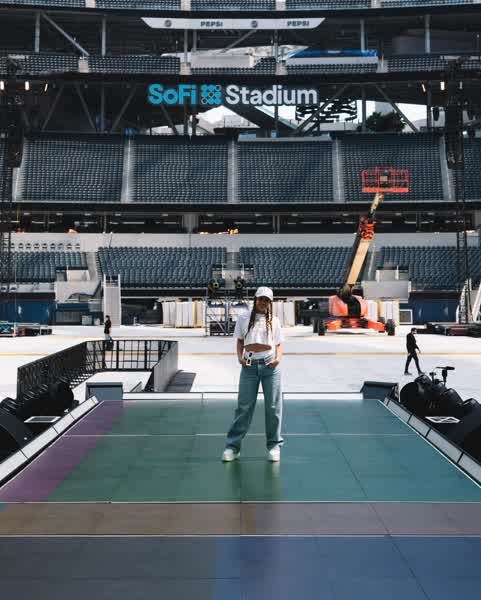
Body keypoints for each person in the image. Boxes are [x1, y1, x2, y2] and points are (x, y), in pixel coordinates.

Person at [222, 286, 284, 463]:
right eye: (261, 299)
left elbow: (279, 344)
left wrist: (278, 359)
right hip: (249, 367)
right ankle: (233, 447)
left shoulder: (274, 321)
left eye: (267, 300)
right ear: (255, 299)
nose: (263, 302)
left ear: (270, 303)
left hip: (270, 367)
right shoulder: (243, 318)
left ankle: (274, 446)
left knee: (273, 407)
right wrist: (239, 358)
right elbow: (240, 341)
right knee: (244, 407)